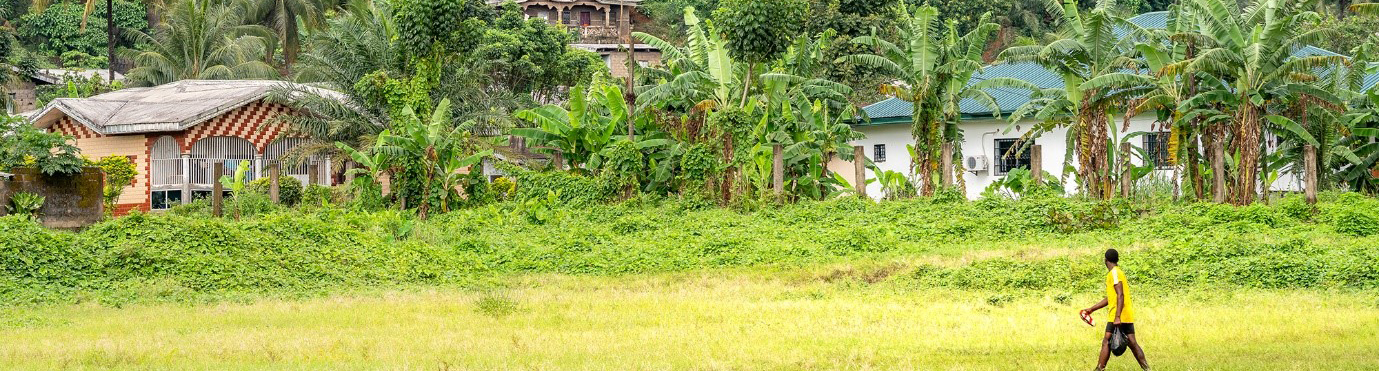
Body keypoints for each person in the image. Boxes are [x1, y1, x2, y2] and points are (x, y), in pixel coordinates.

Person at [1080, 249, 1150, 371]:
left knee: (1106, 341)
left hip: (1118, 315)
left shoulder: (1114, 273)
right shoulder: (1117, 273)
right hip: (1125, 314)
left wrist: (1117, 316)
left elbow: (1120, 295)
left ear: (1105, 260)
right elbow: (1110, 298)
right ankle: (1147, 369)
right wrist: (1092, 309)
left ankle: (1099, 369)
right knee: (1132, 343)